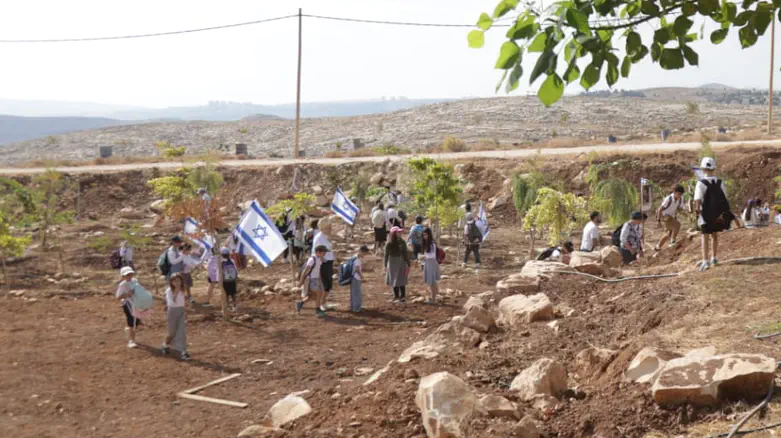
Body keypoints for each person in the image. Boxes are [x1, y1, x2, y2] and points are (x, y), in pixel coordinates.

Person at [694, 157, 733, 272]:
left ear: (703, 169)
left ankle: (705, 261)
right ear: (714, 168)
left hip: (705, 214)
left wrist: (697, 211)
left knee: (704, 237)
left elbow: (697, 199)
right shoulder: (720, 182)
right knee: (715, 236)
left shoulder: (701, 183)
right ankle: (714, 258)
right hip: (717, 214)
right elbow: (725, 198)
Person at [161, 273, 191, 361]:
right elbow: (173, 301)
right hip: (172, 311)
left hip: (181, 311)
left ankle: (183, 352)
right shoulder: (169, 291)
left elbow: (182, 302)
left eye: (179, 280)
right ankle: (165, 345)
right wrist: (177, 290)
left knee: (182, 331)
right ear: (172, 282)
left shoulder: (182, 290)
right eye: (175, 281)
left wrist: (185, 312)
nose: (177, 283)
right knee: (172, 333)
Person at [297, 245, 328, 317]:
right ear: (318, 252)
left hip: (316, 279)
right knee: (319, 293)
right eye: (324, 252)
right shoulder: (312, 259)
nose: (325, 254)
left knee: (314, 296)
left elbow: (318, 270)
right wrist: (301, 281)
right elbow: (305, 270)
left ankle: (301, 303)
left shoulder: (319, 259)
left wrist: (321, 281)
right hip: (311, 279)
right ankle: (318, 310)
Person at [115, 267, 143, 348]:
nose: (129, 276)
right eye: (127, 275)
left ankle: (129, 330)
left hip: (136, 302)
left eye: (130, 274)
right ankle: (131, 340)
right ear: (123, 276)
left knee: (136, 320)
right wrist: (127, 294)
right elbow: (118, 297)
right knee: (132, 320)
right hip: (127, 303)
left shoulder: (135, 281)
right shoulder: (122, 285)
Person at [654, 185, 686, 251]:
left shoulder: (681, 198)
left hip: (672, 216)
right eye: (678, 194)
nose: (680, 195)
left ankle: (658, 246)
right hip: (664, 215)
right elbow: (660, 209)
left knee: (669, 233)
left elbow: (680, 208)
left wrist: (686, 209)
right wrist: (658, 221)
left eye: (681, 194)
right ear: (674, 192)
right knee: (677, 224)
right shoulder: (668, 199)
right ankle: (672, 242)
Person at [312, 217, 335, 306]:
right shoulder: (319, 238)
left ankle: (323, 302)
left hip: (328, 262)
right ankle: (321, 304)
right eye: (328, 227)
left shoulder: (325, 237)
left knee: (328, 285)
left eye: (330, 227)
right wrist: (322, 261)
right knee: (325, 285)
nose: (330, 229)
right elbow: (317, 252)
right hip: (322, 263)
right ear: (322, 227)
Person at [385, 226, 411, 302]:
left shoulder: (402, 242)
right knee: (394, 278)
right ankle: (396, 296)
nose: (400, 233)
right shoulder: (389, 243)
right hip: (392, 262)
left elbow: (405, 253)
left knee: (402, 278)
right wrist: (385, 265)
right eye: (398, 232)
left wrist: (408, 263)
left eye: (400, 232)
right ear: (394, 233)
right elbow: (386, 255)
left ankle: (403, 296)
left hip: (401, 261)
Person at [421, 228, 441, 305]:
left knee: (431, 281)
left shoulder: (432, 244)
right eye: (423, 235)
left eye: (425, 235)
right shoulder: (427, 243)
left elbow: (433, 255)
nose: (424, 236)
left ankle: (433, 298)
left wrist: (424, 256)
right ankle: (435, 296)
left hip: (431, 262)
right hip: (428, 263)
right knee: (432, 281)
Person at [349, 246, 371, 313]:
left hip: (352, 277)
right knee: (357, 293)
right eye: (365, 253)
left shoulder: (353, 257)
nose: (365, 255)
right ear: (361, 251)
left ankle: (353, 307)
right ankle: (356, 308)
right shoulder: (357, 259)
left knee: (353, 293)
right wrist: (362, 277)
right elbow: (357, 269)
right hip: (356, 278)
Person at [220, 248, 239, 313]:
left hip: (225, 281)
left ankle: (226, 308)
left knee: (226, 295)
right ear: (228, 254)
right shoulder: (232, 261)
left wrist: (219, 280)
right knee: (233, 294)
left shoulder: (221, 262)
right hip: (232, 280)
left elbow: (220, 272)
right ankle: (234, 307)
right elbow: (236, 270)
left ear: (222, 255)